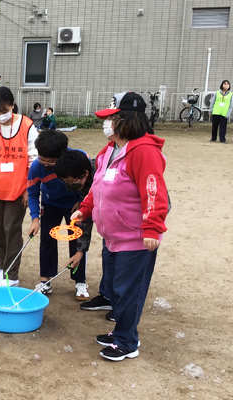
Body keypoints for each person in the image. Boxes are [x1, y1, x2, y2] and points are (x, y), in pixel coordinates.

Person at [71, 92, 168, 362]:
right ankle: (121, 331)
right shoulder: (110, 149)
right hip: (112, 236)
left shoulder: (144, 152)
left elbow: (153, 192)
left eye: (112, 118)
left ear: (126, 120)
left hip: (135, 239)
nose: (107, 124)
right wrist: (85, 208)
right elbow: (97, 185)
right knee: (115, 289)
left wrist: (151, 228)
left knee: (129, 291)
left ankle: (127, 341)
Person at [0, 87, 39, 287]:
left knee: (11, 229)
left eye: (4, 110)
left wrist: (27, 191)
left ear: (12, 105)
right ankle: (1, 268)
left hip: (18, 190)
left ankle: (12, 275)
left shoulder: (28, 126)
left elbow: (33, 160)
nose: (0, 115)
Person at [26, 131, 92, 301]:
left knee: (77, 239)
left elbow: (89, 183)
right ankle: (45, 281)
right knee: (47, 241)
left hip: (74, 205)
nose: (46, 164)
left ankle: (80, 281)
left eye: (51, 161)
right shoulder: (36, 167)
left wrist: (81, 201)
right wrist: (35, 218)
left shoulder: (79, 158)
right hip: (50, 204)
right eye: (42, 159)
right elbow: (33, 193)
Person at [55, 150, 113, 314]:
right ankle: (107, 296)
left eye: (70, 181)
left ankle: (121, 306)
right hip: (110, 228)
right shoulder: (85, 182)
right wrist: (80, 251)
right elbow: (85, 219)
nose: (69, 185)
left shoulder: (105, 173)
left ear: (84, 174)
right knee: (108, 254)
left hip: (129, 225)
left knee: (123, 262)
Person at [211, 80, 233, 144]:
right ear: (222, 85)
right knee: (214, 126)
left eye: (227, 84)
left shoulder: (231, 94)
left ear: (229, 86)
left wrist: (228, 113)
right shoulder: (217, 93)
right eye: (224, 84)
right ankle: (213, 138)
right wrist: (211, 110)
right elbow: (212, 102)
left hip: (224, 113)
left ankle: (222, 139)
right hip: (216, 112)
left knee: (223, 127)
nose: (226, 85)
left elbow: (231, 105)